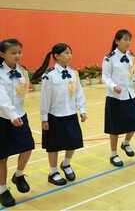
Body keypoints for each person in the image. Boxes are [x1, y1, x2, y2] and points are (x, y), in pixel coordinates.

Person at [34, 43, 87, 186]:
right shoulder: (49, 75)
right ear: (56, 56)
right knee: (54, 146)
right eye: (67, 53)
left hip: (70, 113)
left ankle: (66, 164)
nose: (70, 55)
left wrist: (82, 109)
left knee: (74, 141)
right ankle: (53, 172)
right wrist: (44, 118)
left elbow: (78, 92)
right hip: (54, 116)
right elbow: (45, 98)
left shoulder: (73, 72)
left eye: (71, 52)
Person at [102, 29, 135, 167]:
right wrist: (113, 86)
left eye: (129, 39)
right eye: (125, 39)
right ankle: (113, 154)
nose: (128, 42)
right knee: (114, 128)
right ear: (117, 41)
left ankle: (125, 143)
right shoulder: (109, 58)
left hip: (129, 94)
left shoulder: (130, 56)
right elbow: (105, 77)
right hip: (115, 97)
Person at [0, 39, 34, 207]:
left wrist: (17, 114)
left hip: (20, 115)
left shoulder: (22, 71)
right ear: (2, 54)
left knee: (28, 146)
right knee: (2, 157)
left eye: (19, 52)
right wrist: (12, 115)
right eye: (13, 53)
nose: (17, 55)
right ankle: (3, 190)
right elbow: (2, 98)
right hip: (3, 118)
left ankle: (19, 175)